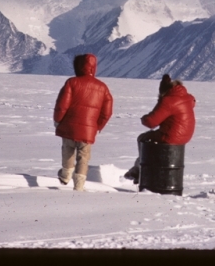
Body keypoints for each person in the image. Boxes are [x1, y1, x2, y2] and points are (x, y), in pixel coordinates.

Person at [53, 53, 113, 191]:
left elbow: (62, 105)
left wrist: (57, 120)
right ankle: (79, 185)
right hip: (89, 129)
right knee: (83, 157)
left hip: (69, 126)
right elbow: (107, 112)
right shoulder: (102, 87)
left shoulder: (71, 83)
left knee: (68, 149)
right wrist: (97, 126)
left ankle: (66, 174)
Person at [123, 74, 196, 183]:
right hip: (185, 135)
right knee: (153, 138)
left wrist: (144, 118)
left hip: (172, 136)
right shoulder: (187, 98)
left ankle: (138, 170)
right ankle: (140, 168)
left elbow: (151, 122)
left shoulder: (169, 100)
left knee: (143, 138)